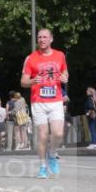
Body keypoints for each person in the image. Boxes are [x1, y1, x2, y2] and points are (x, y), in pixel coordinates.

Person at [20, 28, 69, 178]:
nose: (41, 40)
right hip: (38, 102)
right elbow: (23, 82)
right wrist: (33, 80)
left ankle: (52, 154)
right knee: (42, 135)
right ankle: (42, 167)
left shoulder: (60, 55)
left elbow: (65, 72)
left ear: (51, 39)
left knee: (58, 133)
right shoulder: (31, 58)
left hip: (55, 100)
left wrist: (65, 78)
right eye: (39, 37)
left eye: (44, 37)